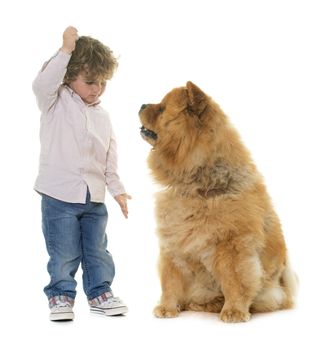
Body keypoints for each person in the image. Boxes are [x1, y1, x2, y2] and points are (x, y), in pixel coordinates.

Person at [33, 26, 131, 321]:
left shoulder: (103, 116)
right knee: (63, 252)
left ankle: (100, 292)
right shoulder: (54, 101)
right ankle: (60, 295)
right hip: (59, 196)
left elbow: (108, 160)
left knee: (97, 249)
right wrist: (65, 51)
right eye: (89, 81)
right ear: (68, 76)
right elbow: (41, 83)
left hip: (94, 199)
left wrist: (118, 190)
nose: (96, 88)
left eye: (102, 82)